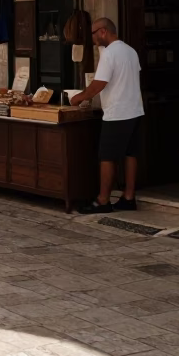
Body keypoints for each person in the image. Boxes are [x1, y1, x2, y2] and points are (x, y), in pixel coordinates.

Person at [68, 17, 144, 213]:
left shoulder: (109, 54)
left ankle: (103, 201)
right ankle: (129, 197)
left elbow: (98, 84)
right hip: (135, 110)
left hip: (117, 113)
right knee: (130, 154)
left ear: (103, 31)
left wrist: (78, 98)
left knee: (107, 157)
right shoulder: (130, 51)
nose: (92, 38)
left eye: (93, 34)